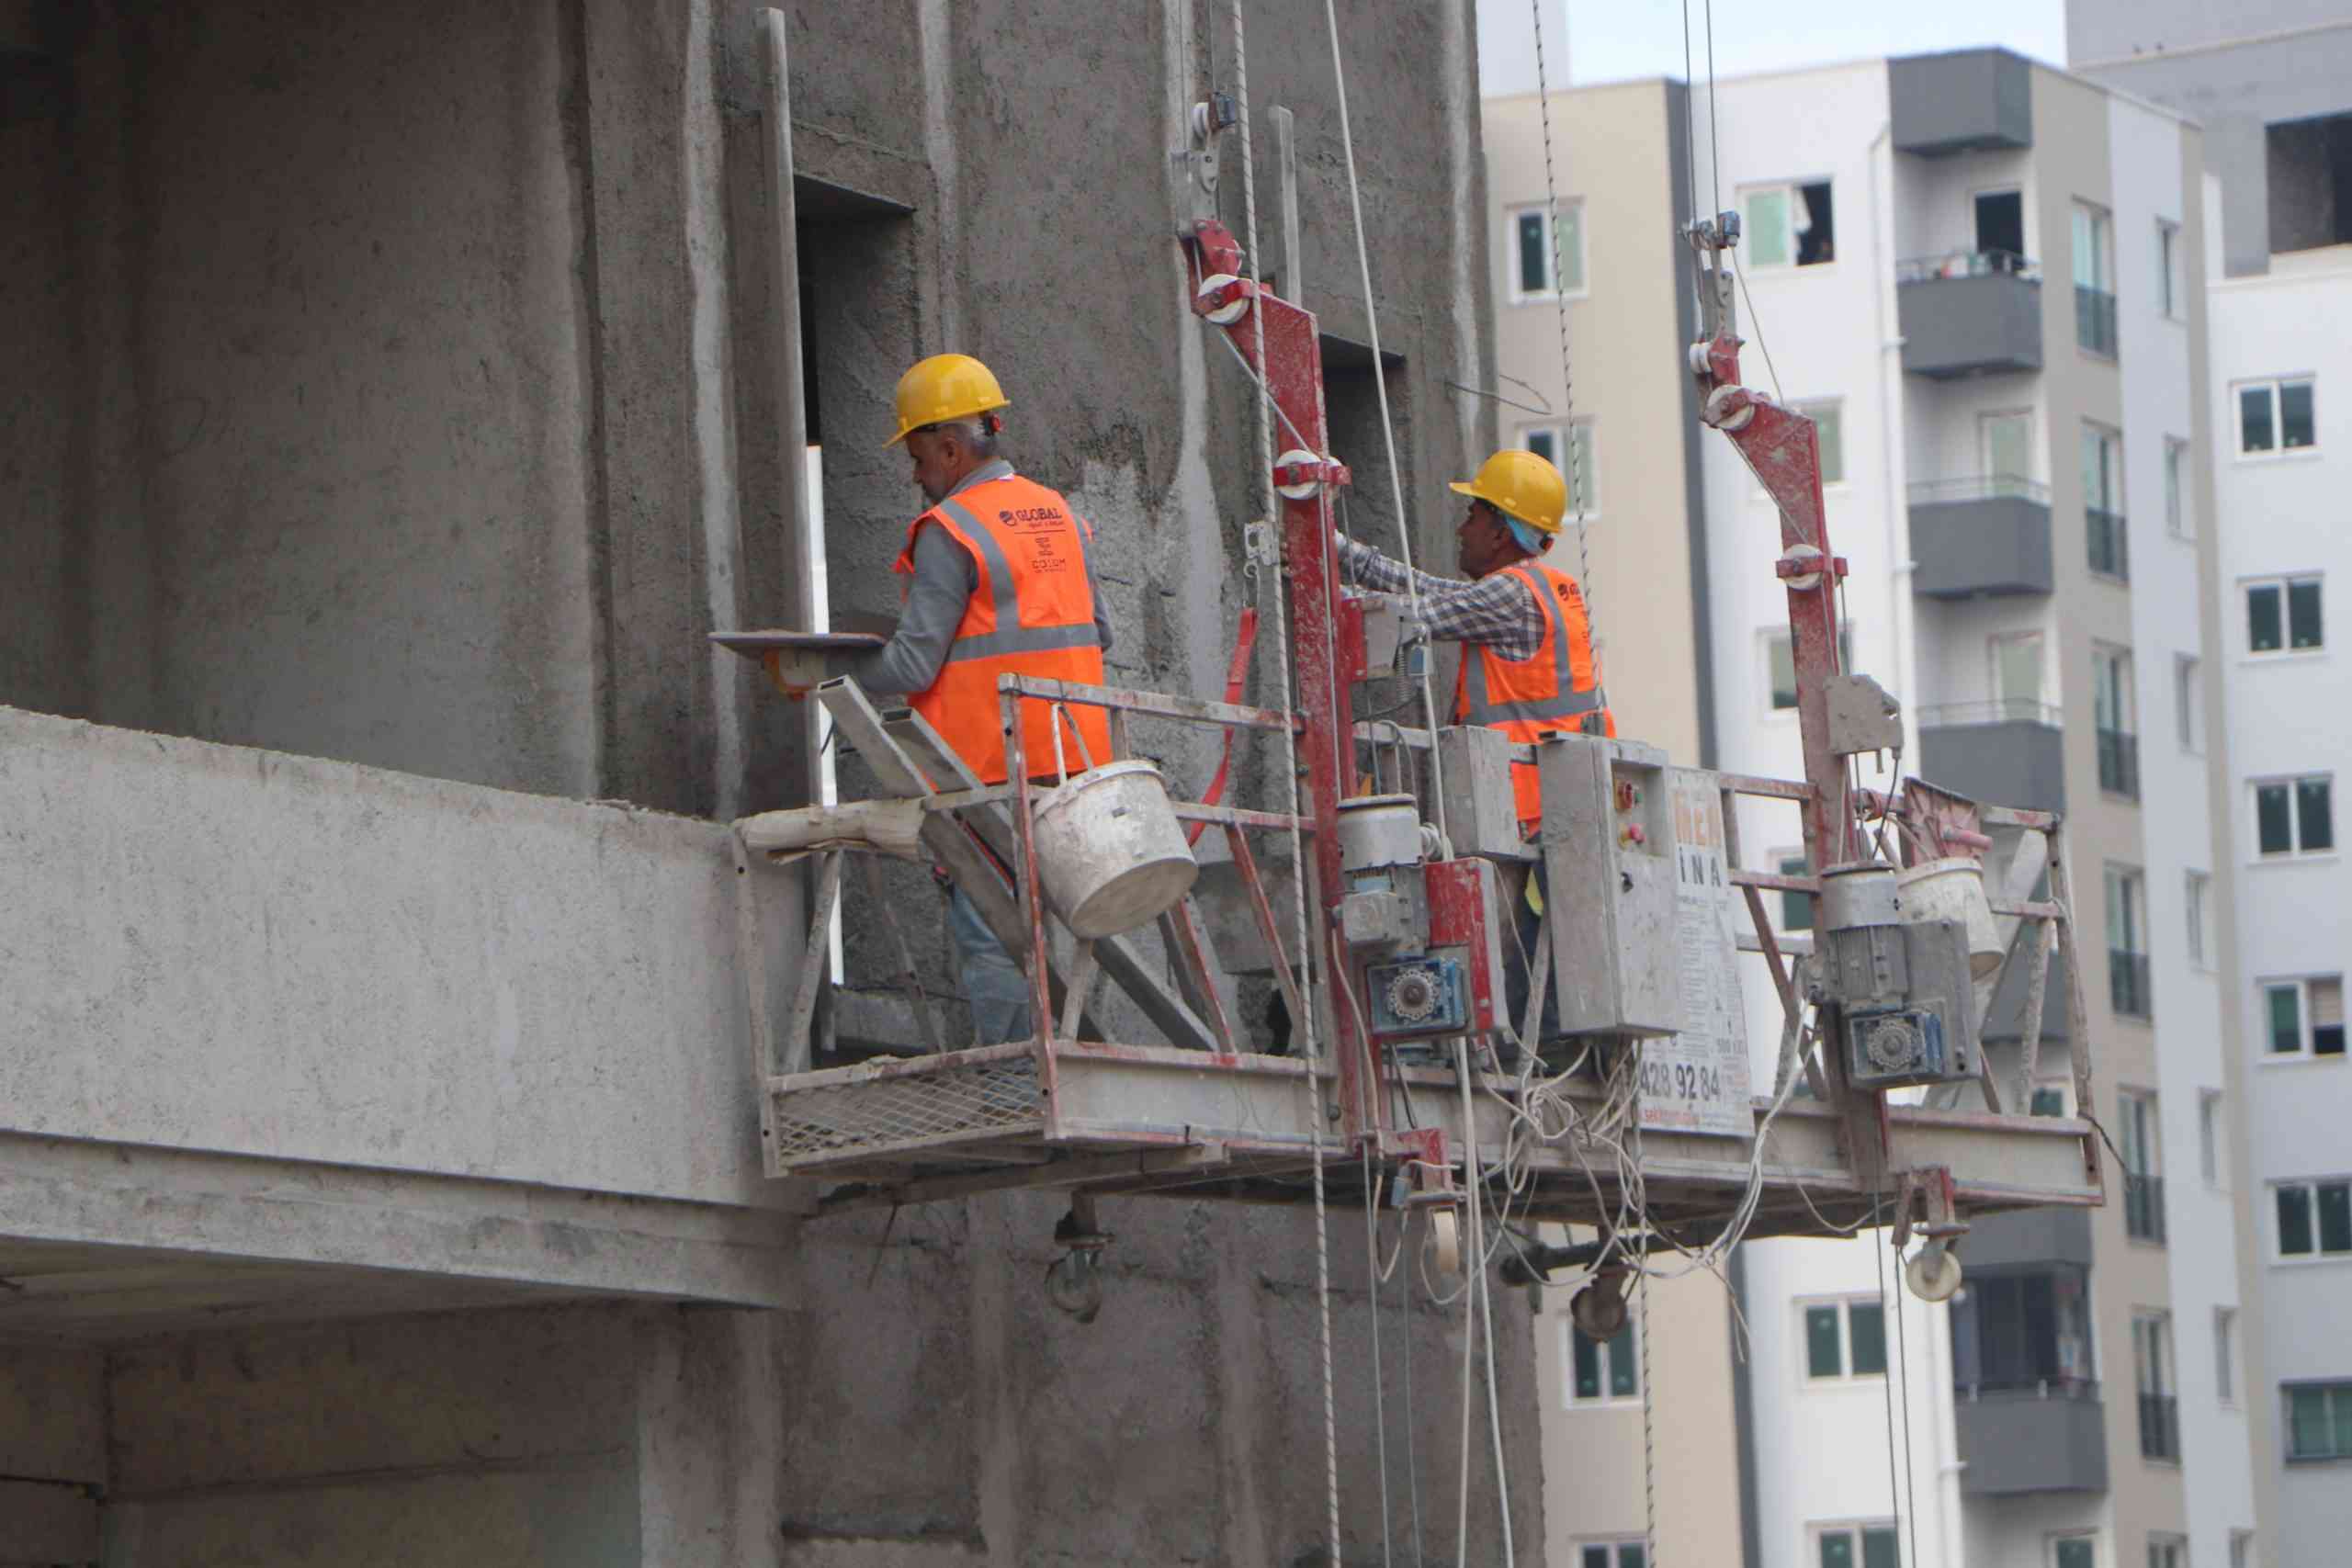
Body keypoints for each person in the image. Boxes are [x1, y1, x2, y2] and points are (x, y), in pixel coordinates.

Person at [764, 353, 1114, 1045]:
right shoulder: (1058, 516)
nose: (915, 476)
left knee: (993, 938)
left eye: (919, 457)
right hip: (1076, 764)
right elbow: (1098, 628)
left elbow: (916, 662)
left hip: (985, 771)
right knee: (1061, 931)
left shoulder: (950, 530)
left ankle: (1020, 1081)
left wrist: (828, 676)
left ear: (952, 448)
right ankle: (1058, 1063)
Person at [1334, 446, 1612, 1050]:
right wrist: (1344, 554)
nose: (1461, 529)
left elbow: (1422, 612)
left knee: (1502, 941)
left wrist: (1320, 578)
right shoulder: (1543, 589)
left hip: (1523, 806)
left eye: (1471, 515)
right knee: (1538, 943)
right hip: (1557, 804)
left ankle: (1508, 1052)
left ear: (1499, 527)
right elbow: (1432, 589)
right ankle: (1538, 1049)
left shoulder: (1510, 596)